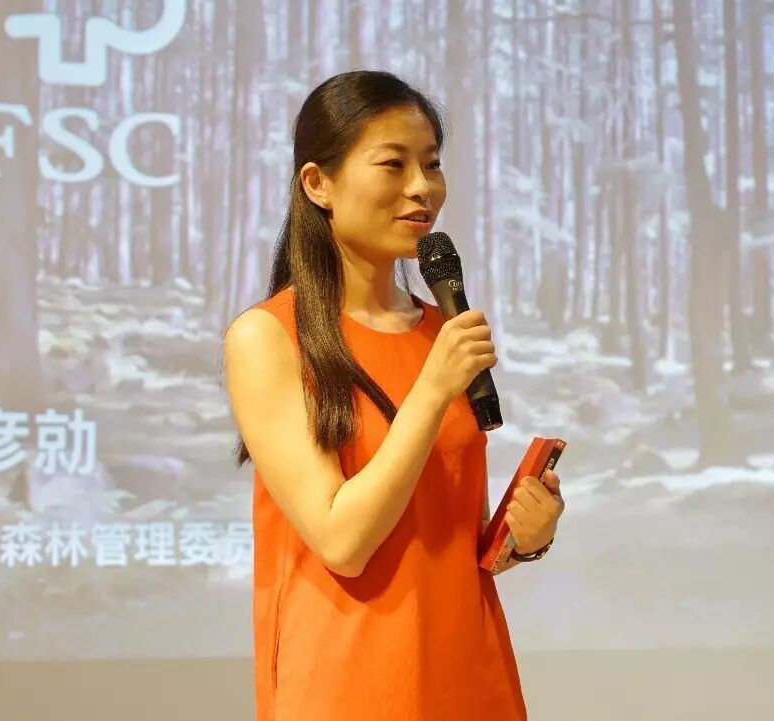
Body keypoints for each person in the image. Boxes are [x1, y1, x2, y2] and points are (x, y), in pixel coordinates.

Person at [223, 70, 565, 721]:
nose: (421, 187)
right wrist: (432, 389)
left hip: (468, 675)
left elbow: (443, 535)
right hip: (348, 687)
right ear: (317, 183)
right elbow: (343, 541)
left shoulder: (441, 331)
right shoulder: (267, 337)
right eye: (393, 164)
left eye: (431, 164)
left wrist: (523, 537)